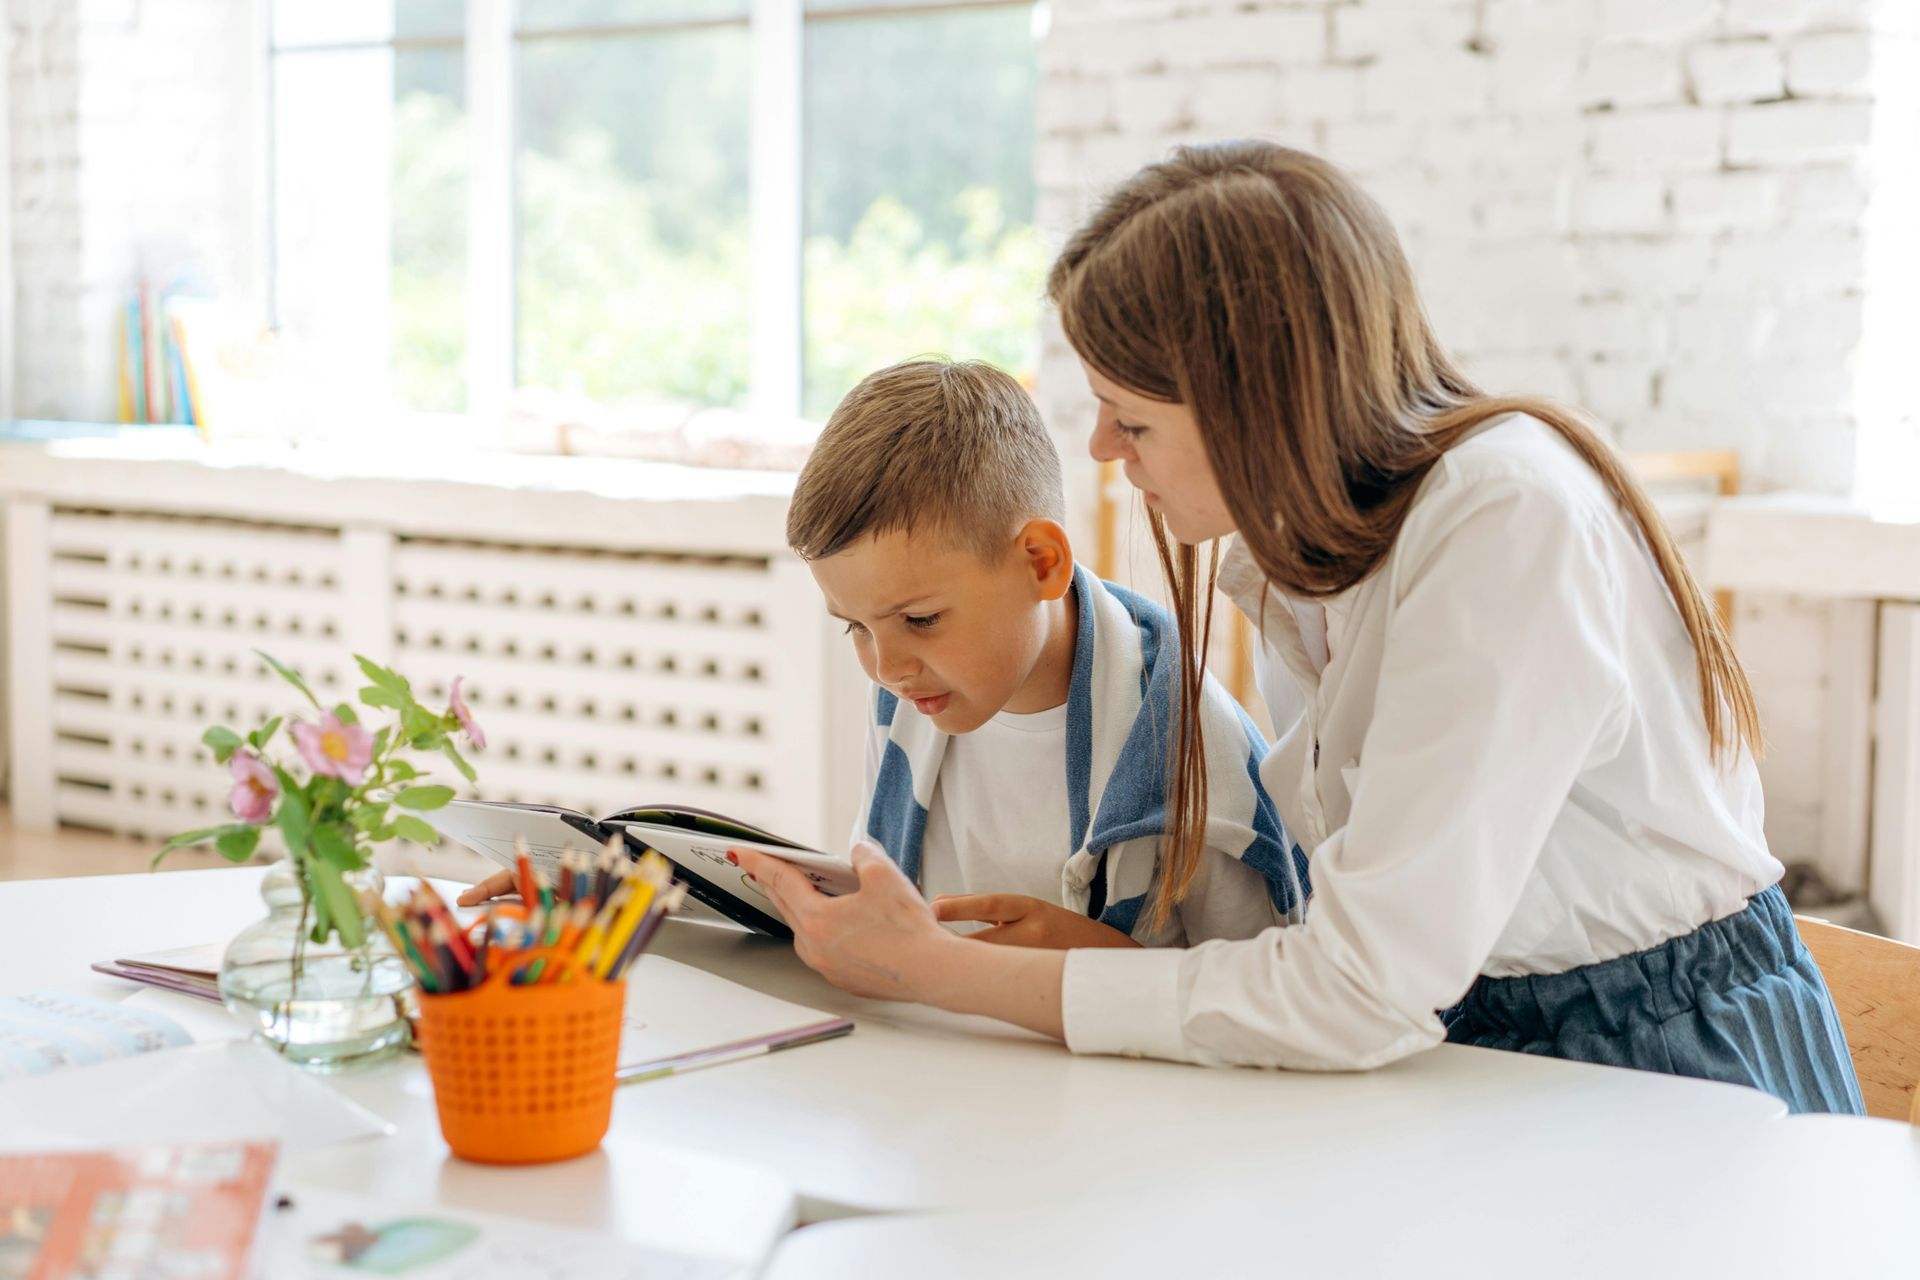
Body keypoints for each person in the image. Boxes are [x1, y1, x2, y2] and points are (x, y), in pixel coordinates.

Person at [734, 143, 1864, 1115]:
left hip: (1658, 1070)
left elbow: (1358, 985)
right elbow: (1351, 958)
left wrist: (941, 970)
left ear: (1256, 396)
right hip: (1469, 1052)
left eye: (1133, 419)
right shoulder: (1301, 563)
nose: (1102, 455)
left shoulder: (1504, 520)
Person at [469, 356, 1310, 953]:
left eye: (920, 618)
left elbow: (1273, 991)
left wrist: (1103, 971)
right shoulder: (920, 698)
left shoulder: (1191, 744)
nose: (886, 667)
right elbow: (892, 920)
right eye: (856, 629)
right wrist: (624, 897)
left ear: (1042, 563)